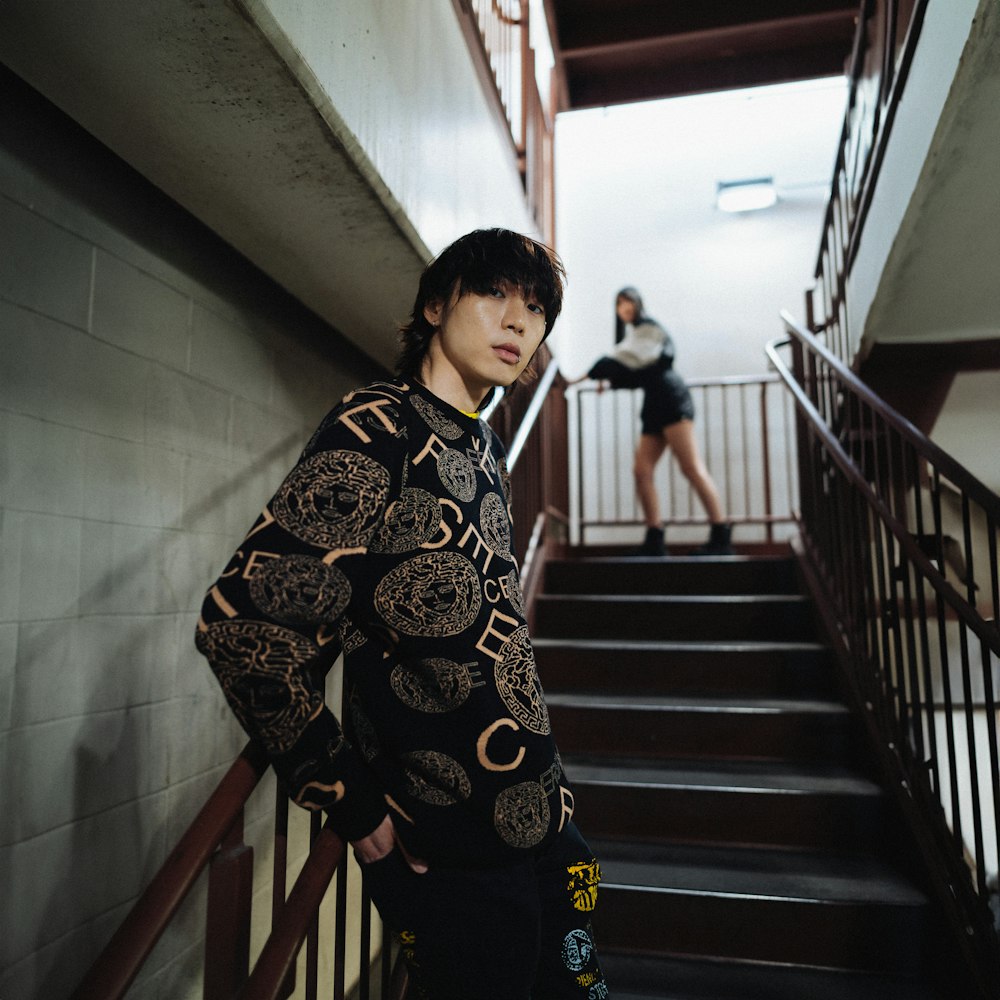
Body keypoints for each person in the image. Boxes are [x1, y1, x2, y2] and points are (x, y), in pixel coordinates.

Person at [195, 229, 607, 1000]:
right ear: (434, 305)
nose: (519, 322)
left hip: (548, 830)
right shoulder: (378, 426)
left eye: (536, 307)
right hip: (452, 857)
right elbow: (242, 626)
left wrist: (551, 797)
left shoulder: (485, 447)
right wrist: (347, 799)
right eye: (494, 295)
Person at [573, 286, 732, 556]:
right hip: (654, 404)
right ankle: (655, 537)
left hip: (671, 398)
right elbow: (633, 371)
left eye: (628, 303)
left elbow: (629, 359)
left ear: (637, 304)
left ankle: (721, 535)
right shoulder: (635, 335)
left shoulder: (649, 330)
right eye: (619, 305)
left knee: (691, 467)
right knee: (641, 471)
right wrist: (608, 382)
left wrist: (584, 376)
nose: (624, 309)